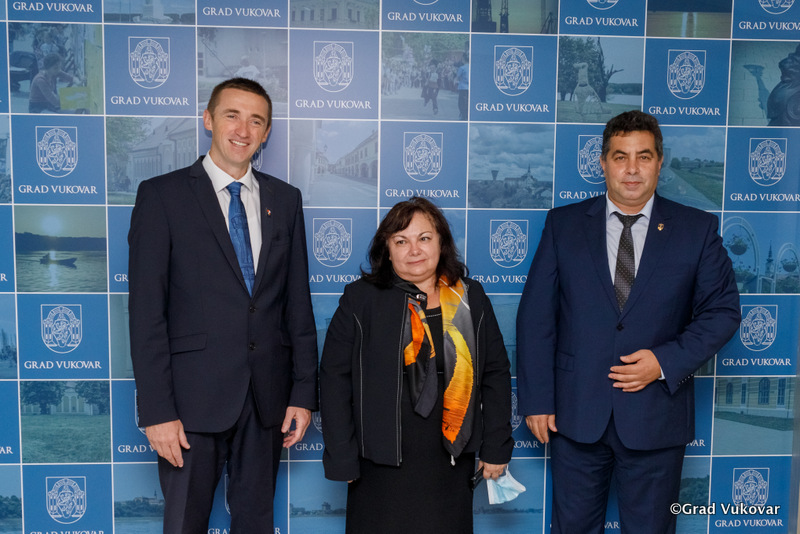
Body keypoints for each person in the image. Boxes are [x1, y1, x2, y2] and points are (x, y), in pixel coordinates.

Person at [516, 110, 740, 534]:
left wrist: (663, 361)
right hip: (575, 415)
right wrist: (537, 400)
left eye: (644, 156)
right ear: (603, 163)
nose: (632, 169)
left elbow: (723, 312)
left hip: (656, 417)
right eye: (621, 157)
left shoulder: (696, 230)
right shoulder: (563, 225)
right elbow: (536, 319)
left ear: (660, 162)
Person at [128, 77, 318, 533]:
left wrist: (302, 394)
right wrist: (157, 411)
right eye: (232, 115)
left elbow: (297, 305)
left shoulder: (285, 200)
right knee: (184, 524)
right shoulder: (162, 195)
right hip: (189, 404)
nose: (243, 129)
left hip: (266, 400)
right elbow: (146, 313)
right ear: (208, 120)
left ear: (266, 133)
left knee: (256, 523)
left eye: (256, 121)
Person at [320, 197, 513, 533]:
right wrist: (341, 455)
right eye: (401, 241)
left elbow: (495, 374)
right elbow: (334, 379)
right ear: (387, 250)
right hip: (378, 461)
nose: (414, 250)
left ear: (441, 242)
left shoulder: (470, 297)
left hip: (450, 457)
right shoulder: (360, 299)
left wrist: (496, 446)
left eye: (424, 238)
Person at [456, 53, 469, 121]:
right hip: (470, 88)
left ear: (463, 59)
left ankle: (463, 115)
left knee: (461, 103)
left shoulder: (462, 68)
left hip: (463, 87)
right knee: (467, 102)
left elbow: (458, 77)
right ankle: (467, 114)